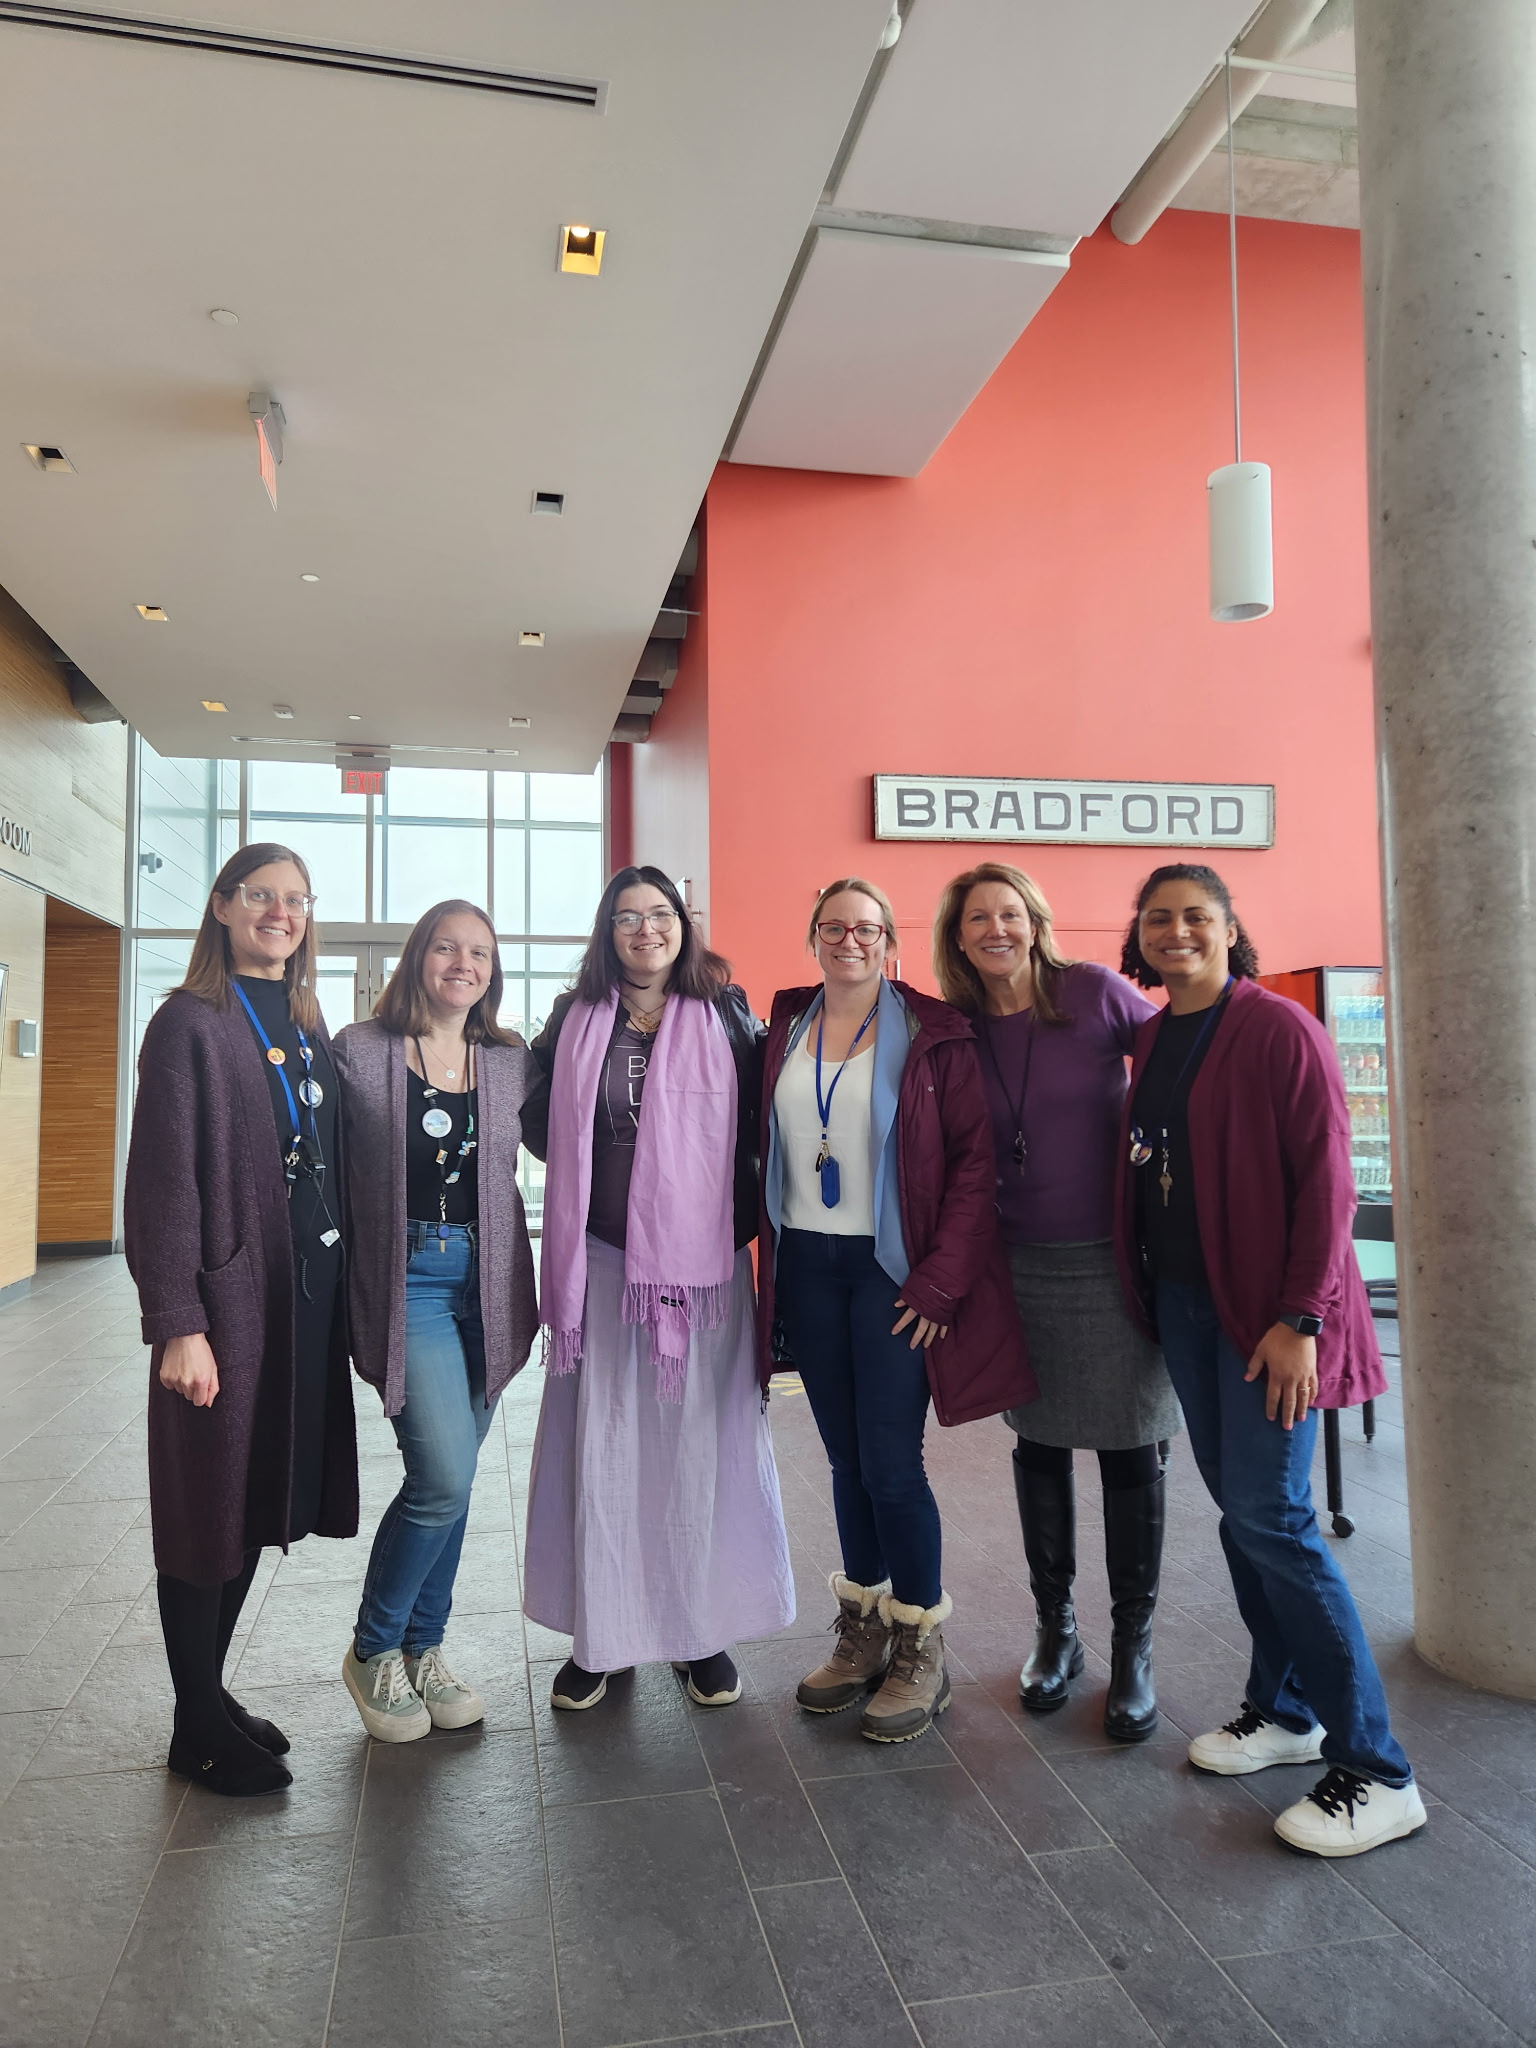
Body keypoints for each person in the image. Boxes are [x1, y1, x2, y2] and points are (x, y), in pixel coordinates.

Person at [1116, 862, 1425, 1857]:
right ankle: (1286, 1711)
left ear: (1228, 925)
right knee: (1246, 1518)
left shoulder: (1279, 1027)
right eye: (1159, 918)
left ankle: (1379, 1769)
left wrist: (1302, 1315)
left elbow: (1328, 1182)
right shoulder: (1155, 1033)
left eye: (1194, 915)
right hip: (1187, 1308)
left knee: (1277, 1520)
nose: (1176, 931)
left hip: (1267, 1319)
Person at [760, 878, 1034, 1744]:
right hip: (806, 1261)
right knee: (843, 1456)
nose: (851, 940)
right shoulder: (787, 1024)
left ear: (890, 942)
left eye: (868, 928)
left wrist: (940, 1282)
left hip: (890, 1273)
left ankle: (921, 1641)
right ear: (813, 938)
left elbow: (971, 1168)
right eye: (835, 927)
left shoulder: (932, 1034)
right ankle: (864, 1630)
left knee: (889, 1457)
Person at [520, 865, 792, 1711]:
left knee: (695, 1452)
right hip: (600, 1266)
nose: (646, 930)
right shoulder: (574, 1018)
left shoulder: (727, 1012)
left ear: (683, 924)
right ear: (607, 932)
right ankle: (604, 1639)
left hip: (700, 1279)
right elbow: (534, 1120)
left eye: (660, 914)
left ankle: (697, 1632)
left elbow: (768, 1122)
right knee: (602, 1453)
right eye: (627, 917)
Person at [125, 843, 357, 1796]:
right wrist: (178, 1321)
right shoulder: (189, 1022)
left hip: (300, 1306)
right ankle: (195, 1727)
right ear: (221, 907)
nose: (281, 912)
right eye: (260, 895)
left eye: (296, 899)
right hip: (226, 1307)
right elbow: (162, 1182)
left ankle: (207, 1697)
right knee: (203, 1513)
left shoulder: (305, 1021)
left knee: (258, 1498)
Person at [933, 862, 1180, 1742]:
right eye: (976, 920)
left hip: (1114, 1262)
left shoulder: (1096, 993)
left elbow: (1185, 1055)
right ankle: (1058, 1630)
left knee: (1129, 1447)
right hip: (1017, 1267)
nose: (995, 929)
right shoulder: (955, 1028)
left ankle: (1134, 1650)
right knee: (1038, 1443)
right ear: (958, 938)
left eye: (1009, 913)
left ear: (1035, 921)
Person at [333, 900, 542, 1741]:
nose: (465, 963)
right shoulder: (361, 1051)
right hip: (408, 1281)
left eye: (481, 952)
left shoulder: (509, 1059)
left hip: (487, 1285)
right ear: (419, 956)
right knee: (444, 1479)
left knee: (449, 1487)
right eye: (448, 948)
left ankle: (426, 1648)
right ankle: (372, 1648)